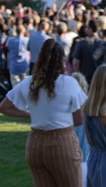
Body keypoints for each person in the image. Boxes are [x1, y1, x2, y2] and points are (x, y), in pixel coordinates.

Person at [0, 39, 88, 187]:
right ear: (61, 60)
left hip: (35, 143)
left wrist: (29, 114)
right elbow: (79, 119)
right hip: (62, 141)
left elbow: (4, 107)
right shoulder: (69, 83)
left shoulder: (29, 82)